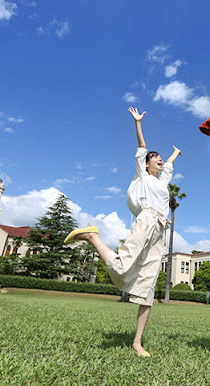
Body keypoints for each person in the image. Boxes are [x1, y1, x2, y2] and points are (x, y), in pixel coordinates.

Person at [65, 107, 182, 357]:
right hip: (146, 221)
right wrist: (138, 123)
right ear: (147, 163)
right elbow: (142, 147)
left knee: (148, 286)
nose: (160, 160)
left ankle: (137, 342)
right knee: (121, 267)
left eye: (161, 158)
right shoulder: (143, 176)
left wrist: (174, 154)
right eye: (156, 158)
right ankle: (93, 236)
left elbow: (169, 167)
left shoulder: (162, 182)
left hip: (160, 232)